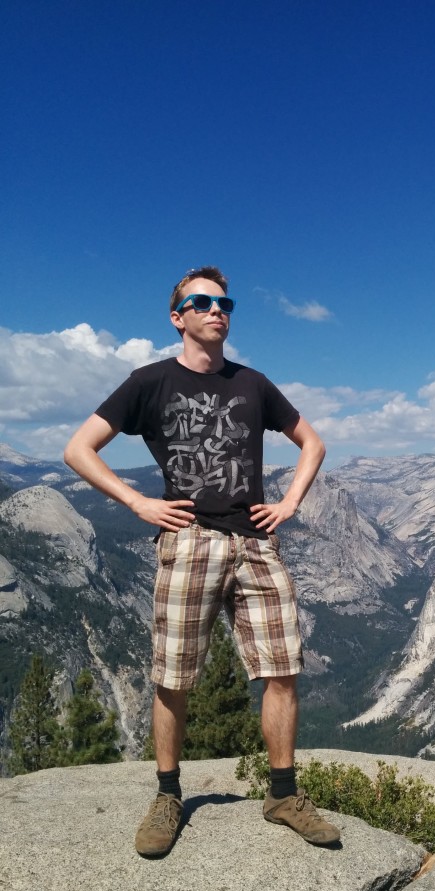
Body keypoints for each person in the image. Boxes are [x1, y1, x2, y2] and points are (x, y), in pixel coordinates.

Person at [64, 266, 340, 856]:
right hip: (189, 540)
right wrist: (138, 501)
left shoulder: (253, 383)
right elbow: (77, 449)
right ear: (178, 316)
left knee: (283, 665)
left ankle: (283, 793)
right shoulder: (150, 382)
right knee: (173, 674)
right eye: (202, 302)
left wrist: (289, 502)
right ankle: (168, 795)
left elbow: (312, 443)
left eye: (224, 302)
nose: (217, 310)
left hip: (255, 542)